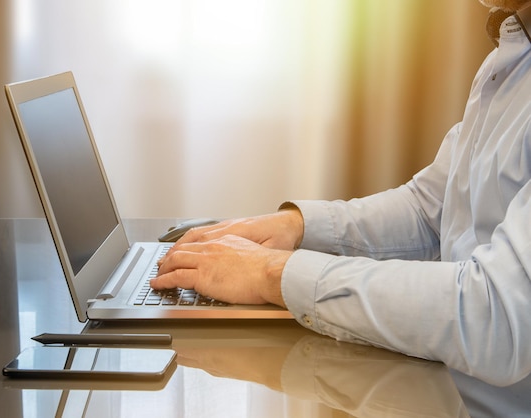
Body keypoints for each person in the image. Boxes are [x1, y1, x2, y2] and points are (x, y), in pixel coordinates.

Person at [151, 0, 531, 387]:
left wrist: (271, 272)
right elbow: (430, 210)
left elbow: (496, 318)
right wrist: (295, 227)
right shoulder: (510, 59)